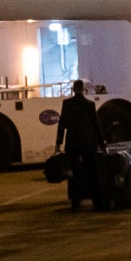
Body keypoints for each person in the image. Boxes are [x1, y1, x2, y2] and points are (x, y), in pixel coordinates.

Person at [55, 80, 102, 208]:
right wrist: (102, 143)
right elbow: (96, 126)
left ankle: (75, 202)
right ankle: (97, 201)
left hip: (73, 143)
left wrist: (59, 142)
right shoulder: (90, 105)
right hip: (88, 143)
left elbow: (62, 124)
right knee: (92, 172)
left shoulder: (67, 104)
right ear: (83, 89)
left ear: (73, 89)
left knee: (74, 173)